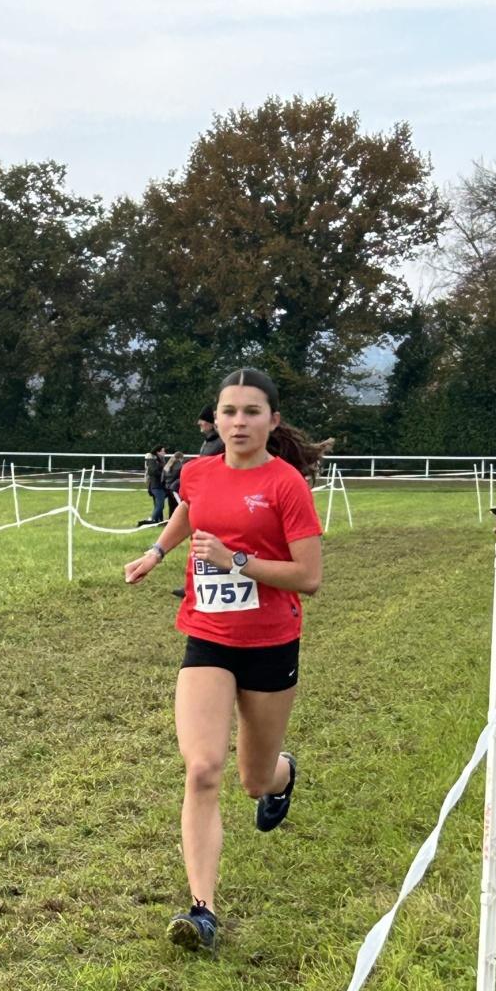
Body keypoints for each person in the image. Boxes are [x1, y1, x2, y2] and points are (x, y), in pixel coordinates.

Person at [123, 367, 327, 953]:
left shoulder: (287, 485)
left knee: (251, 778)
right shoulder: (197, 471)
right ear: (215, 418)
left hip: (270, 641)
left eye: (251, 411)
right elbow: (192, 508)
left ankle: (281, 775)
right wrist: (158, 551)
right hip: (207, 636)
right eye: (229, 411)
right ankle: (202, 910)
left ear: (273, 420)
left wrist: (237, 562)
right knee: (202, 768)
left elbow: (308, 578)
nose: (238, 422)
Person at [137, 446, 168, 527]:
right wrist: (163, 474)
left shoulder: (160, 460)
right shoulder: (153, 461)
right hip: (156, 486)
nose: (165, 453)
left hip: (158, 486)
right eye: (163, 451)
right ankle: (152, 521)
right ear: (158, 452)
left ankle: (159, 522)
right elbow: (152, 471)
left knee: (158, 505)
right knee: (160, 505)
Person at [164, 449, 186, 515]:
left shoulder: (167, 465)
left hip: (167, 487)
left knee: (171, 505)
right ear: (181, 458)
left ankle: (170, 519)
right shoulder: (179, 465)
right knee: (177, 505)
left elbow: (163, 477)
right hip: (174, 487)